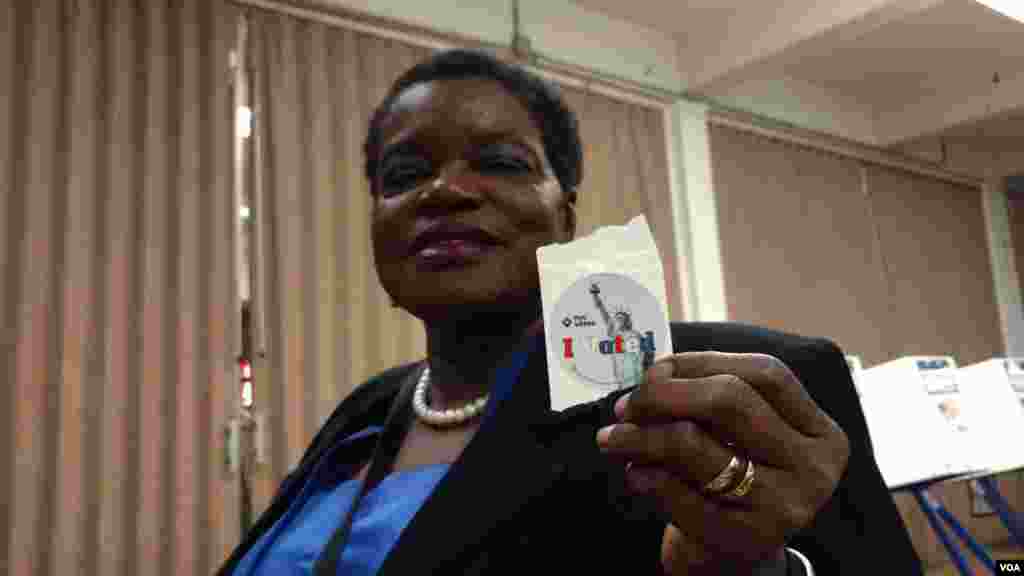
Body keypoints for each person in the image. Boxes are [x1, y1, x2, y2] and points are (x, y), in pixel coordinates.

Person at [217, 49, 923, 575]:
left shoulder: (729, 404)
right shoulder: (363, 416)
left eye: (501, 162)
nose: (446, 191)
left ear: (566, 214)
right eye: (404, 176)